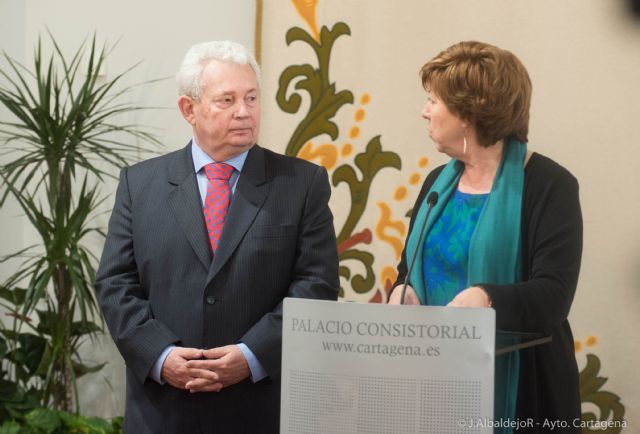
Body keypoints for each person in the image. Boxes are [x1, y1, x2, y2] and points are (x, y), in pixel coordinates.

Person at [94, 40, 339, 434]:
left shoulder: (302, 183)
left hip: (258, 408)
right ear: (188, 109)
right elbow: (115, 282)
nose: (244, 112)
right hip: (161, 411)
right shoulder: (140, 184)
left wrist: (251, 355)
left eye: (252, 98)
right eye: (227, 100)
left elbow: (316, 285)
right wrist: (160, 356)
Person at [388, 41, 583, 432]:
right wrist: (401, 289)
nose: (424, 112)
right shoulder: (435, 184)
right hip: (435, 381)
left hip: (523, 385)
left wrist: (487, 298)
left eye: (433, 101)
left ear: (468, 112)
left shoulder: (549, 185)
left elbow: (554, 296)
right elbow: (410, 268)